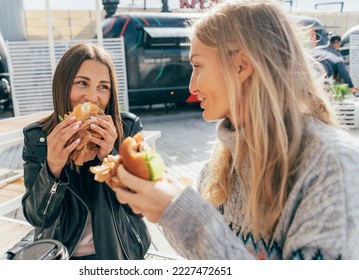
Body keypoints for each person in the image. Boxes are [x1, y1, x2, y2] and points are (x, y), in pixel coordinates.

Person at [113, 0, 359, 260]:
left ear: (241, 65)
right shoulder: (223, 160)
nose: (192, 86)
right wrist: (160, 205)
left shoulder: (333, 166)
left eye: (197, 66)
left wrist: (181, 212)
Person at [21, 42, 151, 260]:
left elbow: (139, 207)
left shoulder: (127, 129)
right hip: (61, 254)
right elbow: (37, 218)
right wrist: (52, 168)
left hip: (117, 250)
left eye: (103, 86)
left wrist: (112, 158)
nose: (92, 97)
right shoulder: (38, 138)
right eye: (82, 83)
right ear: (63, 86)